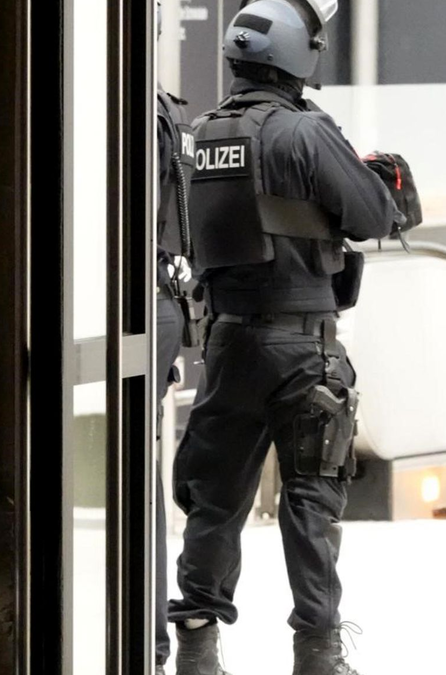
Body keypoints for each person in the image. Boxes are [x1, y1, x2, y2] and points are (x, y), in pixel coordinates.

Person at [169, 1, 402, 673]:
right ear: (298, 55)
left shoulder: (202, 134)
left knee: (215, 496)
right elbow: (371, 213)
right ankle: (317, 652)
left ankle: (195, 644)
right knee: (311, 497)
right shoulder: (304, 132)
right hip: (304, 345)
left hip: (229, 342)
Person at [154, 4, 196, 675]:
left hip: (138, 306)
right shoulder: (167, 114)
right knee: (146, 476)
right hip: (163, 304)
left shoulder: (126, 111)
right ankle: (156, 642)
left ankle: (158, 642)